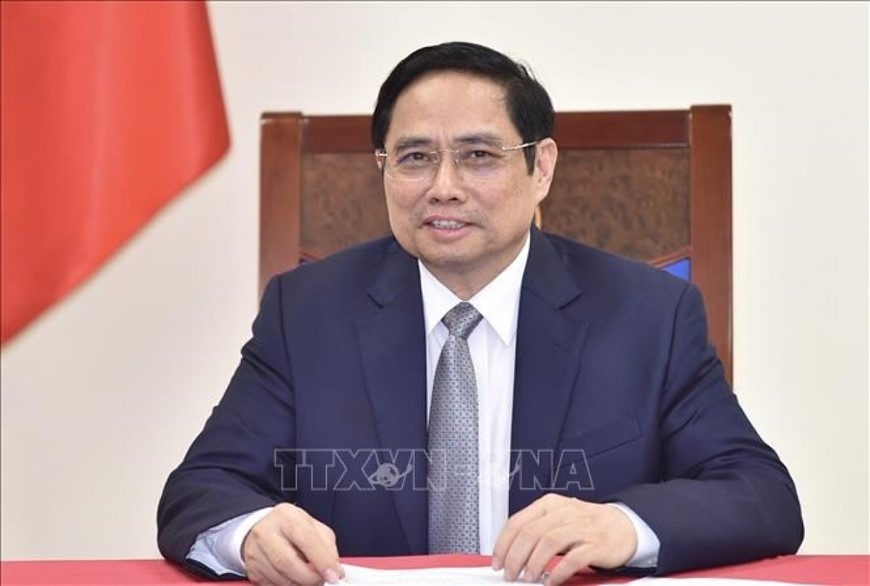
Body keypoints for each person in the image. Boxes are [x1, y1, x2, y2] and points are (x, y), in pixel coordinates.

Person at [157, 41, 803, 586]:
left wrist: (620, 526)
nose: (444, 187)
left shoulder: (649, 316)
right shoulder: (306, 313)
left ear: (540, 167)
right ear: (383, 170)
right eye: (415, 157)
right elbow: (202, 487)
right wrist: (251, 532)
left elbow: (761, 493)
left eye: (478, 156)